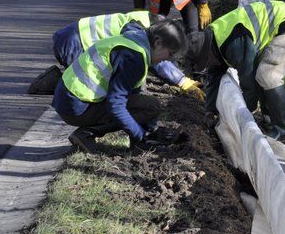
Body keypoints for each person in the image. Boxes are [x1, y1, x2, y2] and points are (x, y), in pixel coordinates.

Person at [52, 19, 187, 153]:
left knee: (148, 105)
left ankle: (135, 142)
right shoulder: (134, 58)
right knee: (152, 106)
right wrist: (141, 136)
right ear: (158, 43)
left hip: (68, 99)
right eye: (170, 54)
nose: (168, 60)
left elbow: (132, 96)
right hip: (76, 107)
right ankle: (87, 133)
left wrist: (152, 129)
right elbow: (116, 106)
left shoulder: (134, 40)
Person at [185, 0, 285, 141]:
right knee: (262, 73)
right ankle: (268, 117)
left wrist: (236, 118)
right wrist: (210, 111)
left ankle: (280, 130)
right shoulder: (211, 40)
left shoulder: (234, 43)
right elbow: (214, 77)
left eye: (205, 62)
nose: (207, 65)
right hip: (282, 19)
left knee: (267, 75)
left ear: (208, 54)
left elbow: (250, 86)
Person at [27, 10, 204, 101]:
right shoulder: (143, 31)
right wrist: (182, 81)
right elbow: (157, 63)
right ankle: (53, 81)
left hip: (72, 37)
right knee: (87, 84)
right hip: (75, 43)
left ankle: (57, 79)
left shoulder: (149, 20)